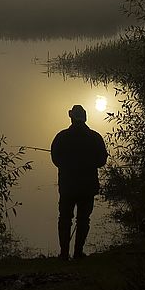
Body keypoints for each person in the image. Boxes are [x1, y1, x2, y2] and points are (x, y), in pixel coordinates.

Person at [51, 104, 108, 260]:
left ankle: (63, 254)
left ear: (70, 117)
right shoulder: (95, 137)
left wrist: (69, 165)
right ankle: (78, 253)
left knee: (64, 218)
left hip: (67, 185)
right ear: (85, 117)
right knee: (83, 219)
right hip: (87, 186)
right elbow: (102, 160)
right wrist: (88, 164)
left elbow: (55, 159)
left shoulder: (61, 136)